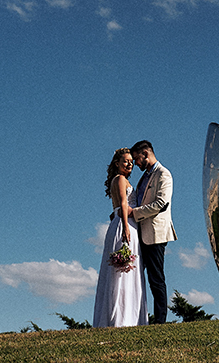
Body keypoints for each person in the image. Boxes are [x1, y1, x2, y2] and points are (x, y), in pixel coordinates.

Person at [93, 148, 148, 327]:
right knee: (123, 271)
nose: (130, 164)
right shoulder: (121, 179)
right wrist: (125, 226)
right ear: (117, 163)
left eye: (131, 161)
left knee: (125, 270)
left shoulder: (117, 180)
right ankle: (121, 318)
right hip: (125, 224)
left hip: (121, 221)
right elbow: (123, 203)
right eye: (126, 161)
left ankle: (126, 316)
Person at [130, 140, 177, 324]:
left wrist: (134, 213)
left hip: (155, 234)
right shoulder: (145, 177)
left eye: (137, 159)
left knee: (156, 279)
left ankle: (160, 320)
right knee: (136, 277)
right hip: (140, 233)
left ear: (146, 153)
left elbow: (161, 204)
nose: (136, 164)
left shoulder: (163, 174)